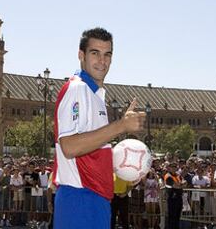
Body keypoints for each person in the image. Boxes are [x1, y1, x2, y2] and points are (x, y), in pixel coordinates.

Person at [53, 28, 146, 229]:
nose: (102, 61)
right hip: (80, 198)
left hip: (96, 198)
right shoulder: (77, 89)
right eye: (95, 53)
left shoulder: (95, 95)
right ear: (81, 55)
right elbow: (69, 146)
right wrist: (121, 125)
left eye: (107, 54)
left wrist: (128, 164)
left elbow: (90, 150)